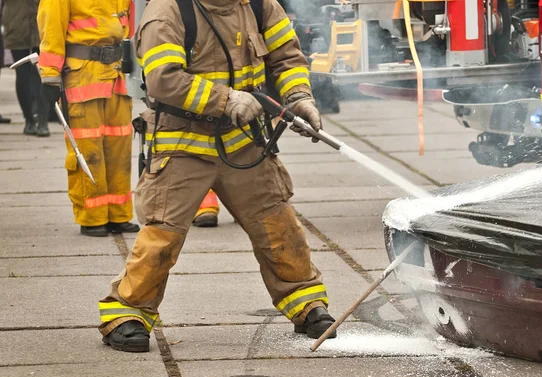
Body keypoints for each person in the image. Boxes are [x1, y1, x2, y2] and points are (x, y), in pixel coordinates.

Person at [98, 0, 336, 353]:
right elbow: (163, 80)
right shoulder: (168, 10)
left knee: (279, 225)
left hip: (244, 141)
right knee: (162, 235)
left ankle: (306, 303)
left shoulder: (259, 6)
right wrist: (226, 100)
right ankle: (125, 314)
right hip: (183, 142)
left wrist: (298, 97)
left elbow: (286, 57)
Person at [37, 0, 140, 237]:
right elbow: (51, 26)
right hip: (83, 77)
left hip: (117, 77)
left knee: (119, 150)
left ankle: (119, 213)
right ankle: (92, 217)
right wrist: (50, 74)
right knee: (88, 149)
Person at [1, 0, 50, 136]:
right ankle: (29, 120)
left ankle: (43, 122)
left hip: (41, 25)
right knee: (22, 73)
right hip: (16, 24)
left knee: (42, 73)